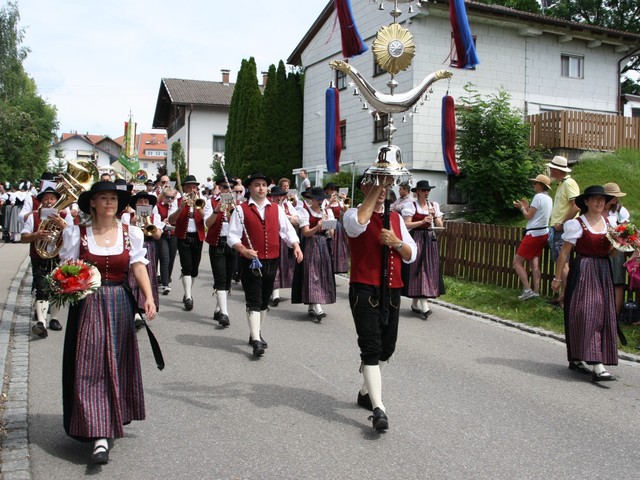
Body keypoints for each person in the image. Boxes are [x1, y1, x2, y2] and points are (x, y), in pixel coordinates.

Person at [53, 180, 156, 464]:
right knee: (90, 365)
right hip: (88, 305)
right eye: (103, 198)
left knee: (116, 362)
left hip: (120, 303)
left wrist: (148, 297)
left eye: (113, 198)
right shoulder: (78, 234)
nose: (109, 202)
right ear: (93, 203)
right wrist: (69, 284)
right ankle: (97, 434)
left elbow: (138, 265)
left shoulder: (130, 233)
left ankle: (110, 421)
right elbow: (65, 268)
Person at [344, 175, 416, 432]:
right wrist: (375, 188)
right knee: (371, 347)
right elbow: (360, 223)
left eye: (386, 186)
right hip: (364, 289)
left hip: (393, 291)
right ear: (364, 187)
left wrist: (396, 242)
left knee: (388, 347)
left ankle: (366, 392)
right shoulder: (352, 214)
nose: (383, 190)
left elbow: (411, 254)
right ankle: (378, 409)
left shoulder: (395, 218)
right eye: (376, 185)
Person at [227, 172, 303, 357]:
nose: (261, 188)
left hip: (272, 260)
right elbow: (232, 236)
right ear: (250, 188)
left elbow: (286, 231)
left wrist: (296, 245)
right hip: (250, 261)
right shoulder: (240, 209)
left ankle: (256, 332)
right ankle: (256, 340)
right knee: (253, 299)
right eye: (257, 185)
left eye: (263, 185)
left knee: (264, 300)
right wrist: (243, 249)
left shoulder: (276, 209)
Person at [551, 185, 617, 382]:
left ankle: (580, 359)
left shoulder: (609, 223)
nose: (599, 202)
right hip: (584, 269)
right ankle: (596, 364)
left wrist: (620, 247)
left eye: (602, 199)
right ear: (586, 202)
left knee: (602, 313)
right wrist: (557, 278)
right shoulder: (577, 224)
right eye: (594, 199)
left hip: (603, 270)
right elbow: (564, 252)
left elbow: (610, 253)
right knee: (587, 312)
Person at [20, 186, 72, 337]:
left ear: (57, 200)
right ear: (41, 201)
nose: (49, 202)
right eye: (46, 199)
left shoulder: (64, 215)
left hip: (59, 257)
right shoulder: (34, 217)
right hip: (39, 258)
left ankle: (54, 319)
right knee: (41, 289)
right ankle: (41, 322)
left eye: (52, 199)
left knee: (58, 289)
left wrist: (63, 225)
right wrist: (36, 235)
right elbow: (23, 238)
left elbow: (73, 237)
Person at [401, 180, 444, 319]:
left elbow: (440, 226)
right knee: (418, 269)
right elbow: (406, 224)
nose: (427, 193)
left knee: (428, 270)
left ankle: (415, 303)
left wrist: (435, 216)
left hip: (430, 240)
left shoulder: (433, 205)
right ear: (417, 191)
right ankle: (424, 306)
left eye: (428, 190)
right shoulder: (410, 205)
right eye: (424, 190)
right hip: (416, 238)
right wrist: (421, 222)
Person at [292, 187, 336, 321]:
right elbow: (305, 233)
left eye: (322, 199)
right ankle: (318, 307)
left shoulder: (328, 211)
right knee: (312, 273)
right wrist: (317, 227)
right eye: (317, 199)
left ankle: (312, 306)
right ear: (311, 199)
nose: (320, 201)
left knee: (322, 273)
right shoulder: (304, 211)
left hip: (324, 244)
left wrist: (328, 225)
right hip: (311, 244)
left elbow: (332, 234)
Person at [121, 191, 163, 326]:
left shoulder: (155, 216)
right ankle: (133, 310)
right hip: (132, 247)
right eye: (140, 201)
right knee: (132, 279)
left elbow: (157, 236)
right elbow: (123, 234)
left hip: (149, 246)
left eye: (146, 202)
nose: (143, 204)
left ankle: (142, 308)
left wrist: (148, 221)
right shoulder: (127, 216)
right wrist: (132, 224)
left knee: (148, 277)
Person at [204, 176, 238, 327]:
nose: (227, 189)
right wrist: (217, 210)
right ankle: (224, 313)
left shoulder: (239, 205)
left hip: (232, 245)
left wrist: (235, 210)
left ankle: (219, 308)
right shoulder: (210, 202)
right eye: (225, 186)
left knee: (228, 279)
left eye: (230, 186)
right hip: (217, 244)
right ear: (219, 187)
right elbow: (208, 223)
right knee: (220, 279)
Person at [512, 174, 553, 300]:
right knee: (534, 264)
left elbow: (528, 216)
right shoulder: (549, 198)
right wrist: (527, 206)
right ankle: (536, 291)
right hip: (543, 232)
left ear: (541, 185)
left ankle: (528, 289)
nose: (533, 185)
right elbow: (536, 215)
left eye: (535, 183)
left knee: (517, 262)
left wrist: (522, 208)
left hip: (533, 234)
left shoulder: (538, 197)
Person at [168, 175, 205, 311]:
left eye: (194, 187)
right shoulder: (176, 201)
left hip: (198, 237)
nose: (192, 189)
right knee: (187, 267)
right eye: (189, 187)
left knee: (194, 270)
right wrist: (180, 208)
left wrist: (198, 206)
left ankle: (187, 292)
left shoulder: (202, 201)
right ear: (184, 188)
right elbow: (171, 220)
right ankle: (189, 297)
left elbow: (206, 220)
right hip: (183, 237)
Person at [547, 156, 580, 306]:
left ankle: (566, 299)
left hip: (562, 229)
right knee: (561, 262)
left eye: (552, 168)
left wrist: (562, 223)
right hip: (558, 228)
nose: (550, 170)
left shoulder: (569, 183)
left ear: (558, 170)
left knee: (563, 263)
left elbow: (576, 205)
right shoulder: (562, 184)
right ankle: (563, 296)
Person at [269, 185, 299, 307]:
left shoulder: (287, 206)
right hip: (272, 238)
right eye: (276, 196)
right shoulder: (268, 206)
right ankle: (275, 294)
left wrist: (287, 217)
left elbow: (297, 221)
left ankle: (276, 291)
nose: (279, 198)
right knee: (274, 265)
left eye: (281, 195)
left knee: (284, 264)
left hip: (285, 239)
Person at [603, 182, 630, 317]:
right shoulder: (599, 209)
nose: (615, 199)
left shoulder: (620, 211)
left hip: (616, 249)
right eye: (613, 196)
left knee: (617, 281)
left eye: (616, 197)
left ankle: (615, 314)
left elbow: (626, 231)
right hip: (600, 248)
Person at [155, 186, 178, 294]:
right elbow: (155, 221)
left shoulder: (175, 206)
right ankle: (165, 284)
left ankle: (167, 278)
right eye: (168, 197)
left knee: (172, 258)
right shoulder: (157, 207)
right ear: (163, 196)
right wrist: (163, 222)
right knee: (165, 257)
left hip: (173, 234)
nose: (170, 200)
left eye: (172, 198)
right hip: (162, 234)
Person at [324, 183, 349, 274]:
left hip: (338, 225)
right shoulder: (324, 201)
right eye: (331, 189)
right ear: (327, 190)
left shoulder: (339, 201)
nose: (333, 192)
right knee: (330, 244)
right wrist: (330, 203)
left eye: (335, 190)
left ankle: (338, 267)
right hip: (328, 224)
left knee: (340, 246)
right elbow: (322, 211)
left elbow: (347, 210)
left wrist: (345, 199)